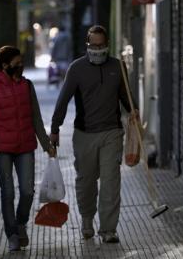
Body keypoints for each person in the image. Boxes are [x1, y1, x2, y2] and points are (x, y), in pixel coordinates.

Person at [50, 25, 137, 243]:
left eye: (101, 45)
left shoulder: (118, 66)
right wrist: (54, 128)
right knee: (86, 181)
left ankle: (108, 229)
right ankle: (87, 219)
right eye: (93, 45)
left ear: (107, 45)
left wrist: (133, 110)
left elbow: (125, 96)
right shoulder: (77, 68)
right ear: (87, 45)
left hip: (112, 133)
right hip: (84, 134)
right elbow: (63, 99)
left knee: (110, 182)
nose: (97, 49)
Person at [0, 46, 56, 252]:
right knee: (8, 192)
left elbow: (37, 118)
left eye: (22, 62)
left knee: (28, 191)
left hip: (25, 147)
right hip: (2, 149)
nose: (21, 66)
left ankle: (21, 223)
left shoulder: (27, 86)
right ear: (5, 66)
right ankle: (12, 234)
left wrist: (47, 146)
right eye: (17, 63)